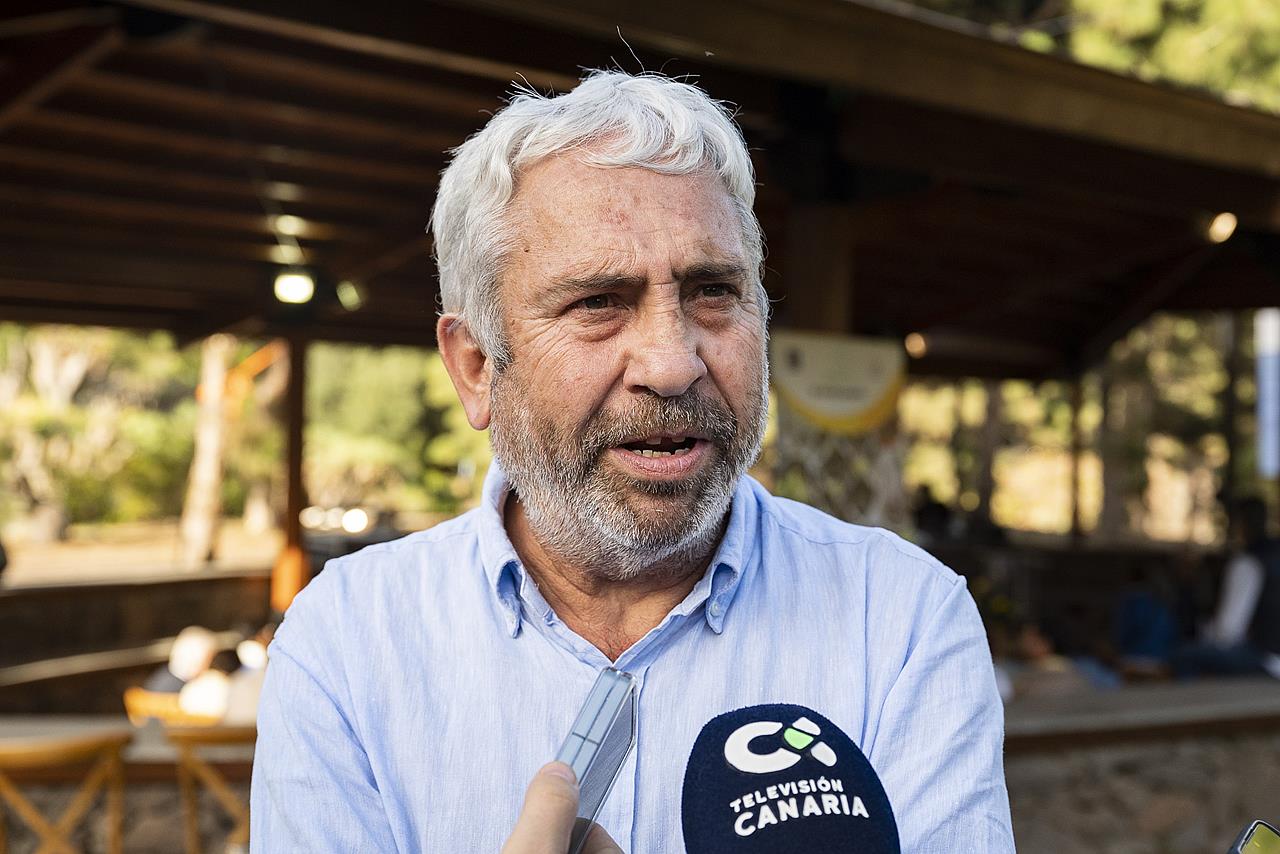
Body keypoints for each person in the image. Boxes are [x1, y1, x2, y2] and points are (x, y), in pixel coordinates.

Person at [251, 70, 1013, 852]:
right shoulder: (349, 641)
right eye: (597, 303)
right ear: (476, 368)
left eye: (713, 291)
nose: (672, 363)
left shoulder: (901, 617)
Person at [1171, 497, 1280, 679]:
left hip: (1266, 658)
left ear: (1240, 524)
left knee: (1182, 655)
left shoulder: (1248, 562)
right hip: (1270, 654)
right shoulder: (1271, 556)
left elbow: (1228, 632)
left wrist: (1204, 631)